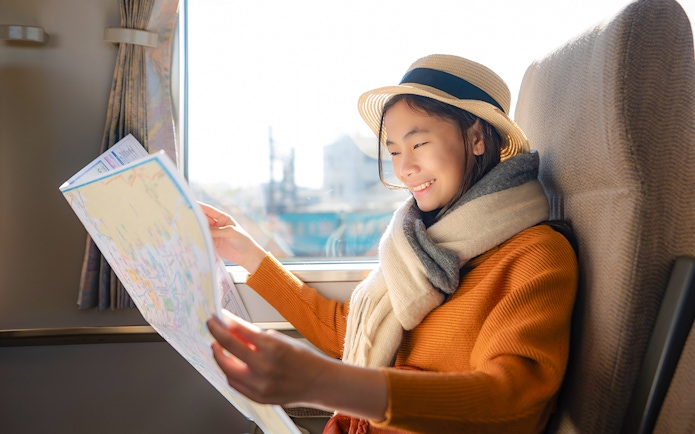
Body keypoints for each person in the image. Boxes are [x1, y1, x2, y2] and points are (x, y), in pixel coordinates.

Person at [203, 54, 578, 434]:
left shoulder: (536, 255)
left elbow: (513, 401)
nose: (403, 169)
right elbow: (352, 332)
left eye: (419, 144)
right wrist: (245, 252)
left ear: (477, 138)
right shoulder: (416, 243)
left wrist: (326, 383)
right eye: (395, 151)